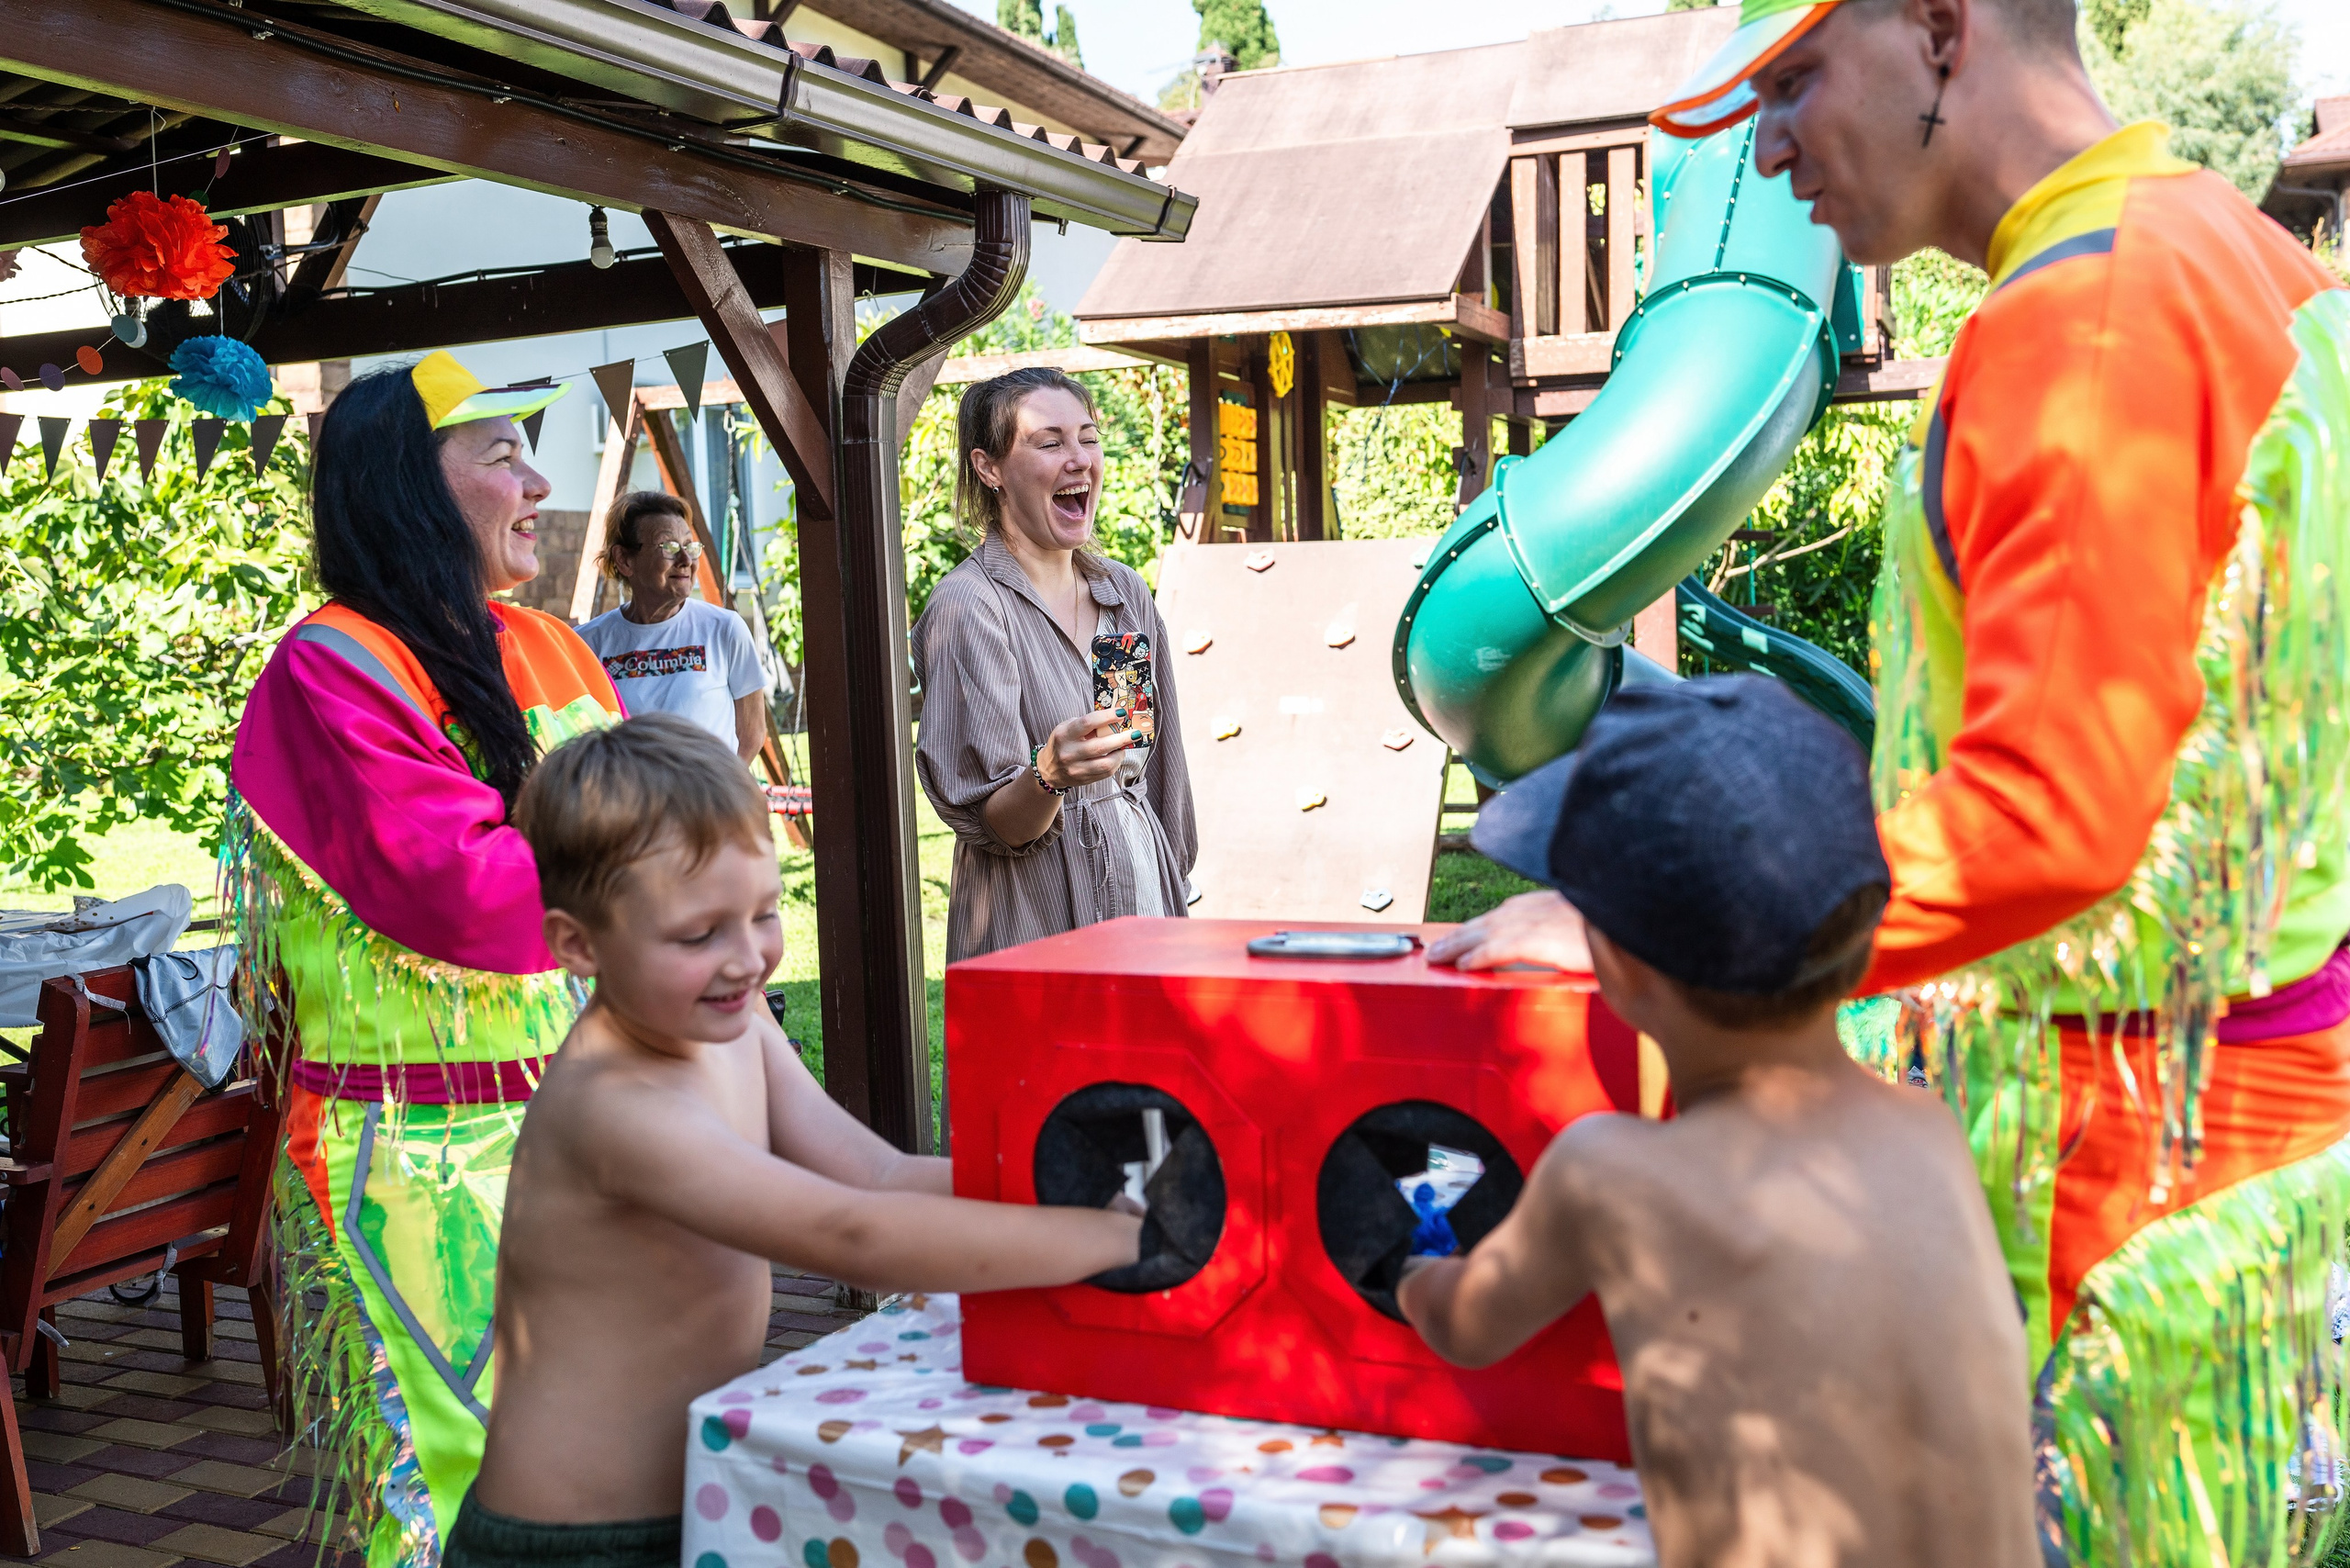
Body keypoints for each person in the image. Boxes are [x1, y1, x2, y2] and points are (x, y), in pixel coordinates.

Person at [1445, 0, 2350, 1559]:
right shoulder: (2256, 266)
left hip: (2110, 1195)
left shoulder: (2090, 322)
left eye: (1795, 80)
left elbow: (2054, 815)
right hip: (2250, 1170)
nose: (1771, 143)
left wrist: (1679, 920)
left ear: (1939, 32)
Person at [453, 714, 1141, 1568]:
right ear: (577, 944)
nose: (748, 960)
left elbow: (878, 1173)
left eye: (765, 914)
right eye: (700, 934)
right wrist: (1118, 1240)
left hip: (696, 1500)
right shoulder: (615, 1103)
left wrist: (1067, 1189)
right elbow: (851, 1235)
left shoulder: (729, 1026)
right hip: (572, 1543)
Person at [1404, 678, 2035, 1568]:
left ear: (1612, 961)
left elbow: (1466, 1324)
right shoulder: (1928, 1130)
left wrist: (1408, 1268)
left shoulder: (1608, 1174)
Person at [228, 353, 620, 1568]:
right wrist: (656, 875)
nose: (538, 480)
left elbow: (670, 825)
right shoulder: (331, 666)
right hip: (417, 1160)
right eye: (502, 455)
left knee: (586, 1446)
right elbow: (468, 896)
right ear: (405, 483)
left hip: (584, 1118)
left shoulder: (549, 648)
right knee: (463, 1474)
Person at [912, 368, 1196, 960]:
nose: (1078, 459)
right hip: (1036, 923)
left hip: (1146, 903)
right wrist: (1049, 775)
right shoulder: (970, 608)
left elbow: (1148, 761)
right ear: (990, 468)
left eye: (1088, 438)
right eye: (1049, 442)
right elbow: (1001, 826)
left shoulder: (1119, 592)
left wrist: (1175, 887)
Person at [576, 489, 770, 763]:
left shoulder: (724, 629)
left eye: (690, 546)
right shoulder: (586, 645)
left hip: (709, 802)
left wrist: (721, 795)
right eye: (668, 547)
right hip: (629, 804)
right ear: (625, 560)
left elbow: (752, 733)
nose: (686, 561)